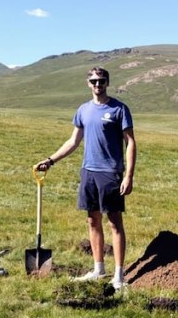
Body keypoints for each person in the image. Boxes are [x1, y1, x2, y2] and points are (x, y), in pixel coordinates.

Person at [34, 67, 136, 290]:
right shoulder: (83, 110)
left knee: (114, 223)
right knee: (92, 220)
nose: (98, 85)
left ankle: (119, 275)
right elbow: (73, 141)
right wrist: (50, 161)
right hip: (88, 171)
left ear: (107, 82)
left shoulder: (119, 109)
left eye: (101, 81)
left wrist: (128, 175)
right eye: (94, 81)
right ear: (88, 83)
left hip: (110, 173)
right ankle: (98, 269)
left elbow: (130, 142)